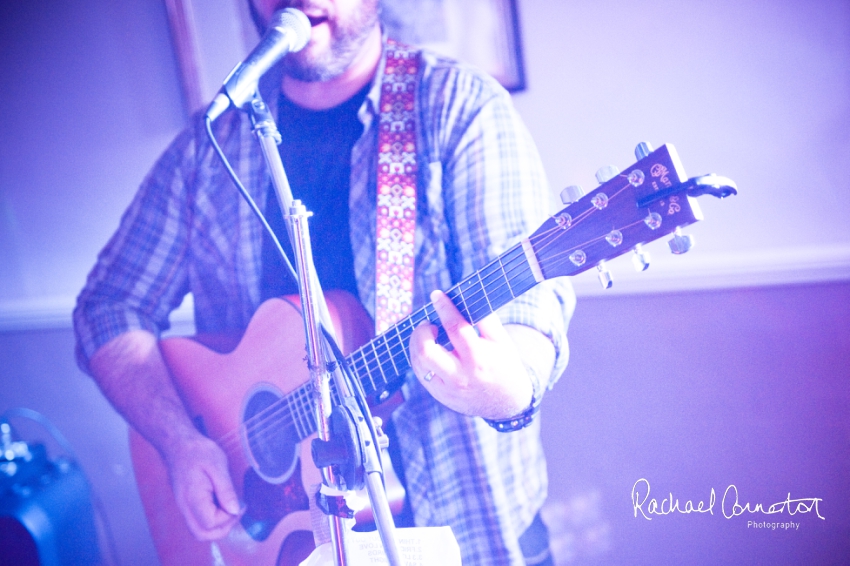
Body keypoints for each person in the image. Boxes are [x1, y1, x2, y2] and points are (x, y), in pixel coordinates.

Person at [73, 0, 574, 564]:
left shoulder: (460, 108)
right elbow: (108, 306)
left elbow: (527, 306)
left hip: (469, 534)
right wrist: (180, 443)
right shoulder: (211, 145)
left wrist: (509, 389)